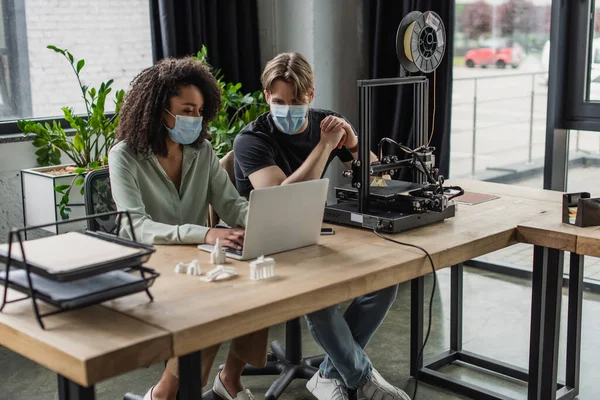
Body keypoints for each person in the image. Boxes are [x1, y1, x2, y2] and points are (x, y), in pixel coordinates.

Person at [233, 52, 410, 400]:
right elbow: (281, 201)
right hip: (263, 239)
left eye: (296, 100)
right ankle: (361, 378)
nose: (287, 108)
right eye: (278, 101)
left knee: (387, 278)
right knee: (320, 294)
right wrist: (326, 145)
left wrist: (356, 146)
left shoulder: (327, 122)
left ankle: (329, 373)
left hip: (313, 229)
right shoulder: (251, 139)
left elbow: (379, 178)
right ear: (267, 96)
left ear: (311, 95)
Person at [109, 57, 268, 400]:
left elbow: (231, 204)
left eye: (199, 111)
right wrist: (206, 234)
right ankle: (168, 392)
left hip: (197, 259)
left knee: (261, 287)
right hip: (147, 263)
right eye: (187, 109)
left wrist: (267, 220)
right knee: (211, 303)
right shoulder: (124, 156)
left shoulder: (202, 151)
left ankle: (229, 380)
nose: (195, 119)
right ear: (159, 110)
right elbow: (136, 226)